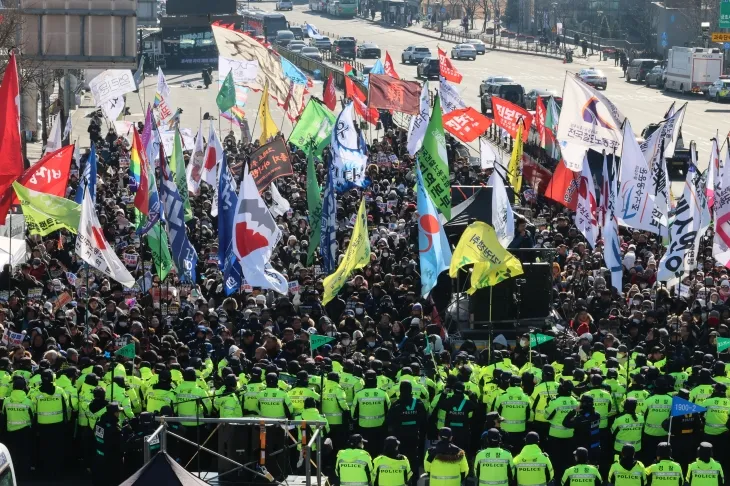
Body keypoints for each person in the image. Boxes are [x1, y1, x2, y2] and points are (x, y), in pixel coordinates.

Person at [386, 380, 427, 475]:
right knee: (413, 457)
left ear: (400, 390)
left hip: (399, 437)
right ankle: (414, 477)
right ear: (411, 390)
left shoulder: (396, 404)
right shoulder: (418, 403)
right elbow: (424, 422)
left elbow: (389, 421)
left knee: (400, 457)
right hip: (414, 436)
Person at [352, 369, 390, 457]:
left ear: (365, 381)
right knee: (379, 449)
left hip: (364, 427)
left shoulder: (359, 394)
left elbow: (353, 413)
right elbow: (389, 410)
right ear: (376, 380)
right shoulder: (383, 393)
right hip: (380, 426)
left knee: (366, 450)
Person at [2, 376, 33, 478]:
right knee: (25, 452)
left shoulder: (6, 401)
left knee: (13, 453)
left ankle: (14, 473)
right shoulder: (28, 401)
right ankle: (25, 473)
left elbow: (3, 414)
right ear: (24, 388)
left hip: (11, 431)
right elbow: (33, 415)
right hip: (25, 431)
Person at [92, 402, 123, 486]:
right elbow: (119, 445)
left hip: (99, 457)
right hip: (110, 461)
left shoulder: (99, 422)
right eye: (118, 412)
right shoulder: (114, 428)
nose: (119, 414)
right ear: (115, 413)